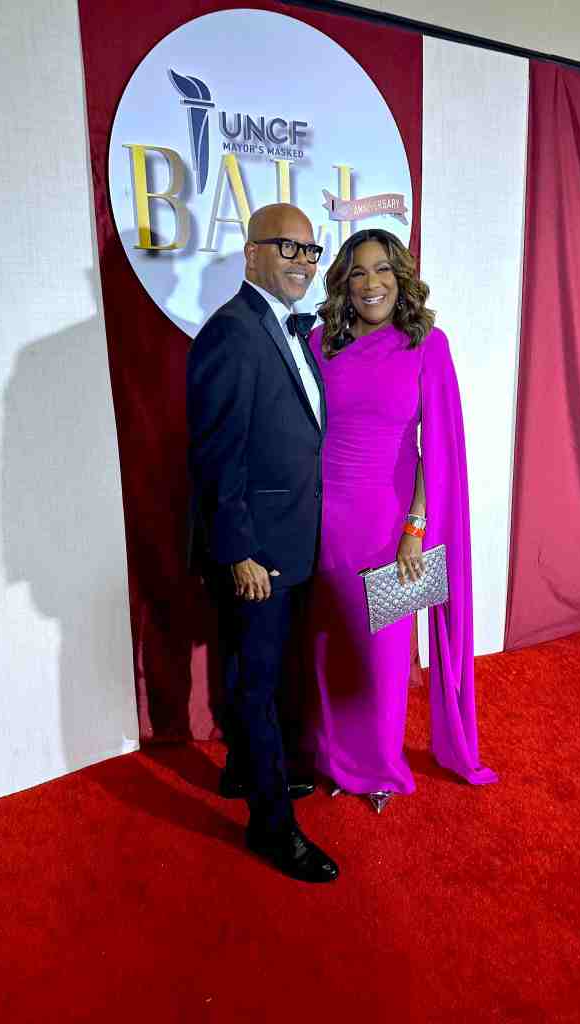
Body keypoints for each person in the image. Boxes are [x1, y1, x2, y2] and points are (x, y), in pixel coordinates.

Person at [305, 228, 497, 813]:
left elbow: (435, 449)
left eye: (383, 269)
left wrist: (416, 527)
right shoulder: (319, 344)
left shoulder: (427, 345)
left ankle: (380, 767)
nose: (372, 283)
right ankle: (331, 758)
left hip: (389, 522)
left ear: (401, 278)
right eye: (359, 272)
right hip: (323, 518)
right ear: (344, 284)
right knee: (330, 642)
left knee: (385, 656)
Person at [187, 204, 339, 882]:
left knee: (258, 670)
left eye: (310, 251)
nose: (302, 261)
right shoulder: (233, 332)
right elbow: (216, 455)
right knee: (258, 685)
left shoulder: (286, 328)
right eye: (287, 247)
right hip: (257, 551)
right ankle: (272, 829)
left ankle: (244, 773)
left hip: (290, 539)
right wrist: (239, 552)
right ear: (251, 254)